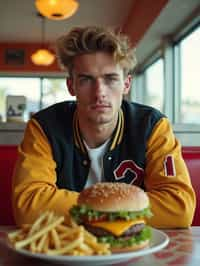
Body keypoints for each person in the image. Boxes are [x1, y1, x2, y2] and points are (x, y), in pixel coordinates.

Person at [12, 26, 196, 227]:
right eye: (86, 79)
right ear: (71, 86)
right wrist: (117, 210)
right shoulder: (44, 127)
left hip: (135, 250)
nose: (100, 92)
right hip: (65, 252)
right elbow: (28, 207)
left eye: (111, 79)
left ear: (126, 85)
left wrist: (92, 209)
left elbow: (179, 208)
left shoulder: (152, 126)